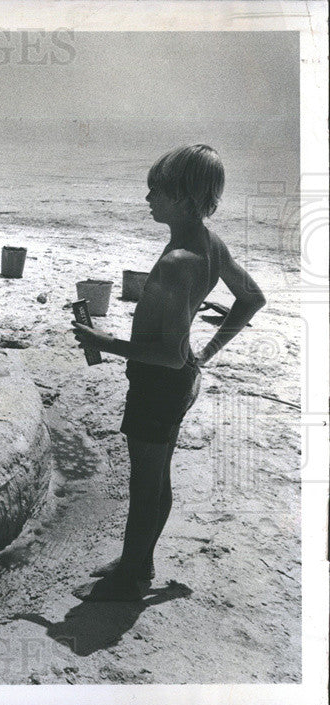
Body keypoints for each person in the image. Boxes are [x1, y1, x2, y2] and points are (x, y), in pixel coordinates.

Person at [71, 145, 266, 601]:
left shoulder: (180, 262)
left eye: (155, 190)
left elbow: (169, 356)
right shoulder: (208, 242)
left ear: (182, 196)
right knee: (157, 479)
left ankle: (128, 580)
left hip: (160, 385)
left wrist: (103, 343)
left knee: (145, 487)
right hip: (174, 385)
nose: (147, 199)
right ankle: (140, 562)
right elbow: (251, 297)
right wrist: (209, 352)